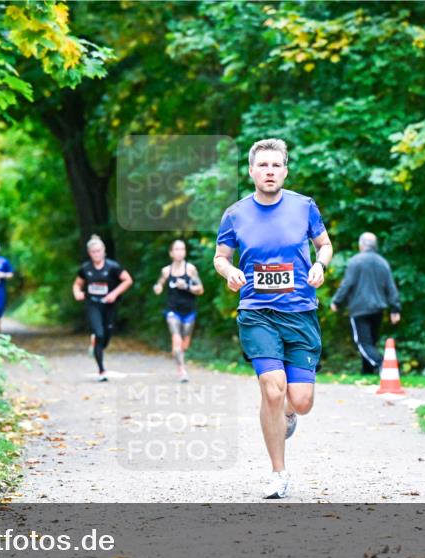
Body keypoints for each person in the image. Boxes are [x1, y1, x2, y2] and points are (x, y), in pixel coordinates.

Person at [213, 138, 333, 499]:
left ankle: (288, 416)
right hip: (257, 313)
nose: (269, 171)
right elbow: (220, 257)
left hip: (299, 313)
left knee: (300, 401)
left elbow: (324, 245)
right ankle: (278, 473)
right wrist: (229, 272)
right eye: (262, 165)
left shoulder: (304, 207)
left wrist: (319, 264)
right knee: (272, 388)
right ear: (251, 171)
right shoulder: (235, 214)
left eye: (275, 165)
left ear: (285, 170)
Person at [329, 232, 401, 375]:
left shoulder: (356, 261)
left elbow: (347, 284)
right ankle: (367, 373)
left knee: (363, 344)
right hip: (378, 310)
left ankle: (383, 366)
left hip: (359, 309)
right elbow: (391, 287)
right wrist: (395, 308)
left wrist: (336, 301)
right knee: (370, 343)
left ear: (361, 245)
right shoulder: (383, 262)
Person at [73, 235, 134, 382]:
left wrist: (114, 293)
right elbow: (77, 284)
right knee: (99, 334)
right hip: (92, 303)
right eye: (93, 252)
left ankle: (97, 342)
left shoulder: (113, 267)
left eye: (99, 251)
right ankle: (101, 370)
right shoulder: (85, 269)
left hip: (109, 305)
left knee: (106, 337)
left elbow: (128, 280)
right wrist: (77, 293)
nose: (97, 254)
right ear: (90, 253)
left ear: (104, 251)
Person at [153, 239, 204, 382]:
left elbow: (200, 289)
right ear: (171, 253)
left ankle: (179, 353)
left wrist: (187, 286)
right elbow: (159, 284)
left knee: (184, 344)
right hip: (172, 310)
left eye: (182, 249)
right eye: (176, 249)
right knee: (176, 339)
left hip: (189, 311)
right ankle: (181, 371)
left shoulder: (191, 269)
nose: (180, 252)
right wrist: (158, 288)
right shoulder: (166, 271)